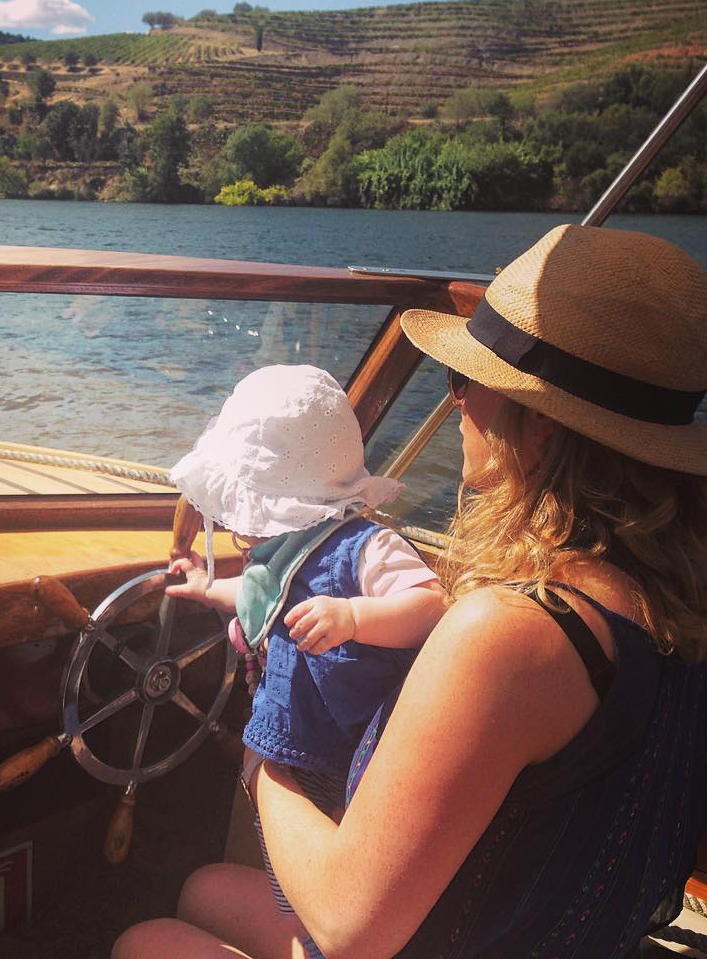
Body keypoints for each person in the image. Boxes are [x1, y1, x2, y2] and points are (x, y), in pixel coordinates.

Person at [112, 223, 707, 959]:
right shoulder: (675, 605)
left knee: (144, 942)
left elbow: (347, 926)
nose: (456, 404)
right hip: (547, 929)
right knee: (205, 888)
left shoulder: (514, 633)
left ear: (543, 432)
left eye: (466, 383)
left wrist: (262, 759)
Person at [166, 364, 447, 954]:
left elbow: (429, 605)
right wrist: (201, 586)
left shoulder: (366, 546)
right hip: (288, 742)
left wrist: (354, 617)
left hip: (350, 754)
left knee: (332, 853)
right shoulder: (278, 554)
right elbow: (255, 600)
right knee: (278, 868)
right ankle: (292, 921)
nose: (241, 527)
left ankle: (320, 933)